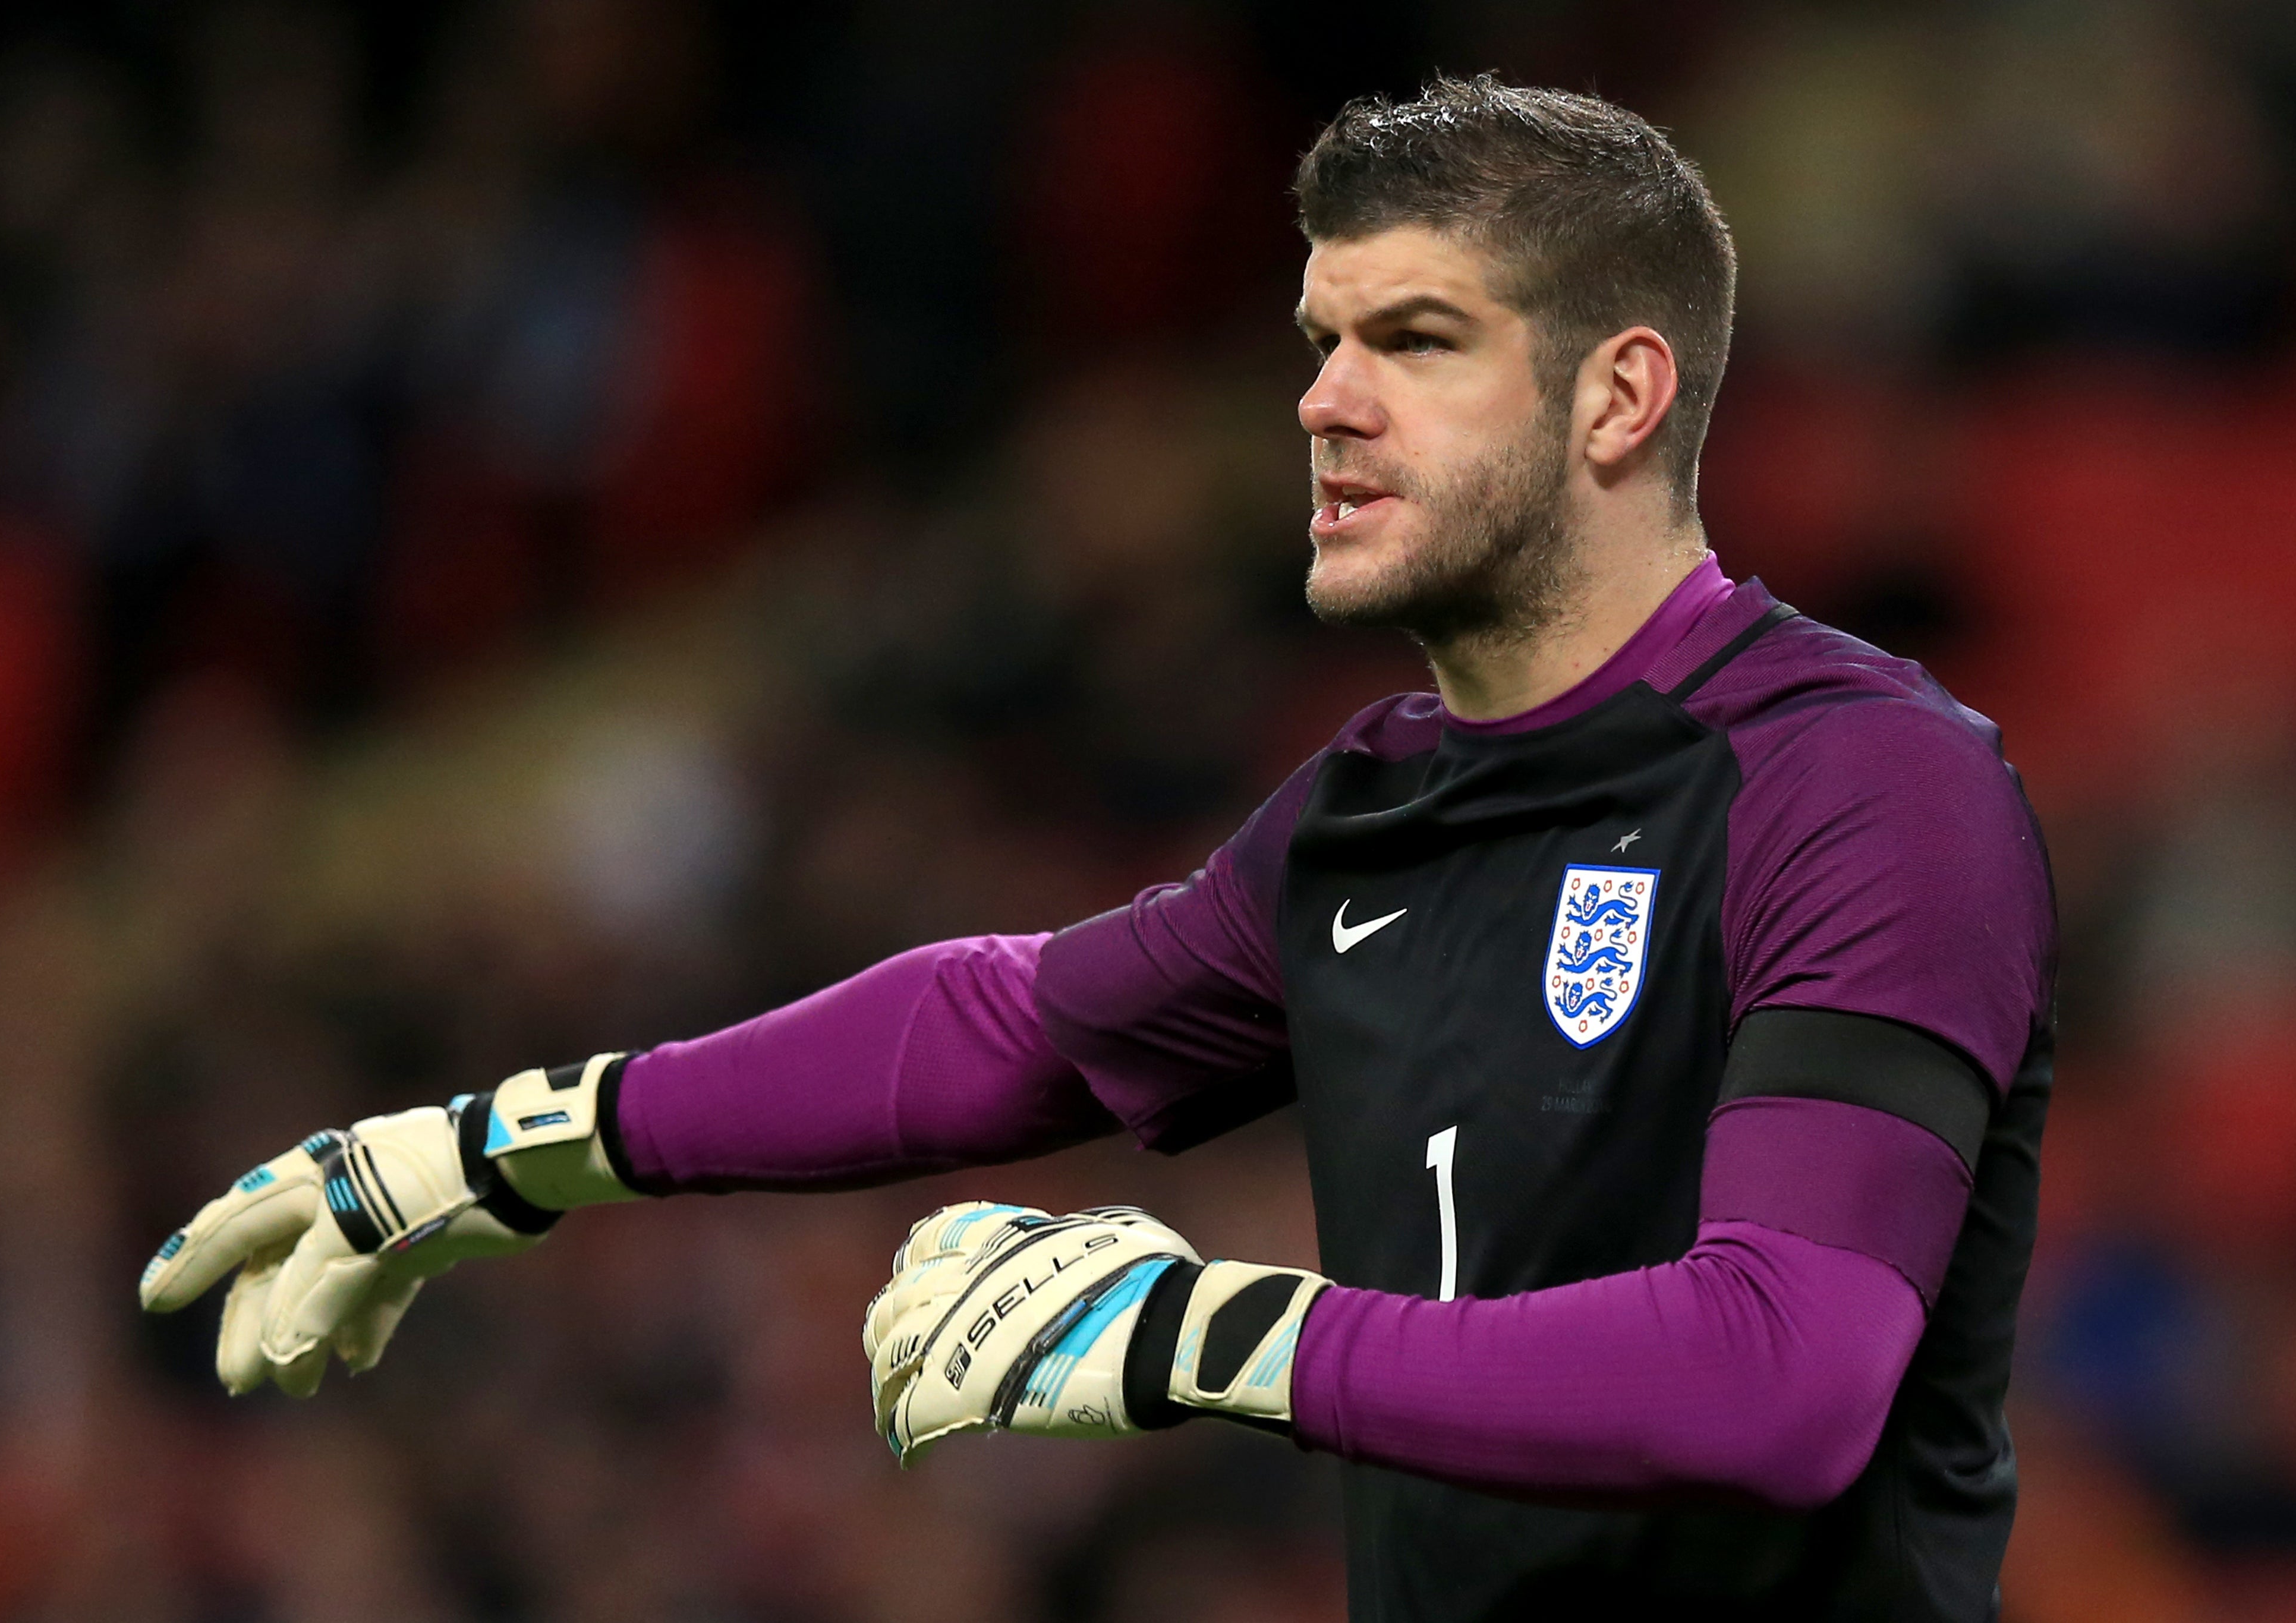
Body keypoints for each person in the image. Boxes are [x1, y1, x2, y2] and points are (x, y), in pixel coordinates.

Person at [141, 76, 2054, 1622]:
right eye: (1319, 339)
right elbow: (1009, 1028)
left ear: (1620, 396)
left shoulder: (1862, 781)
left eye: (1414, 338)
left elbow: (1783, 1378)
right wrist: (488, 1152)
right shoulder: (1370, 808)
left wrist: (1205, 1327)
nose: (1323, 399)